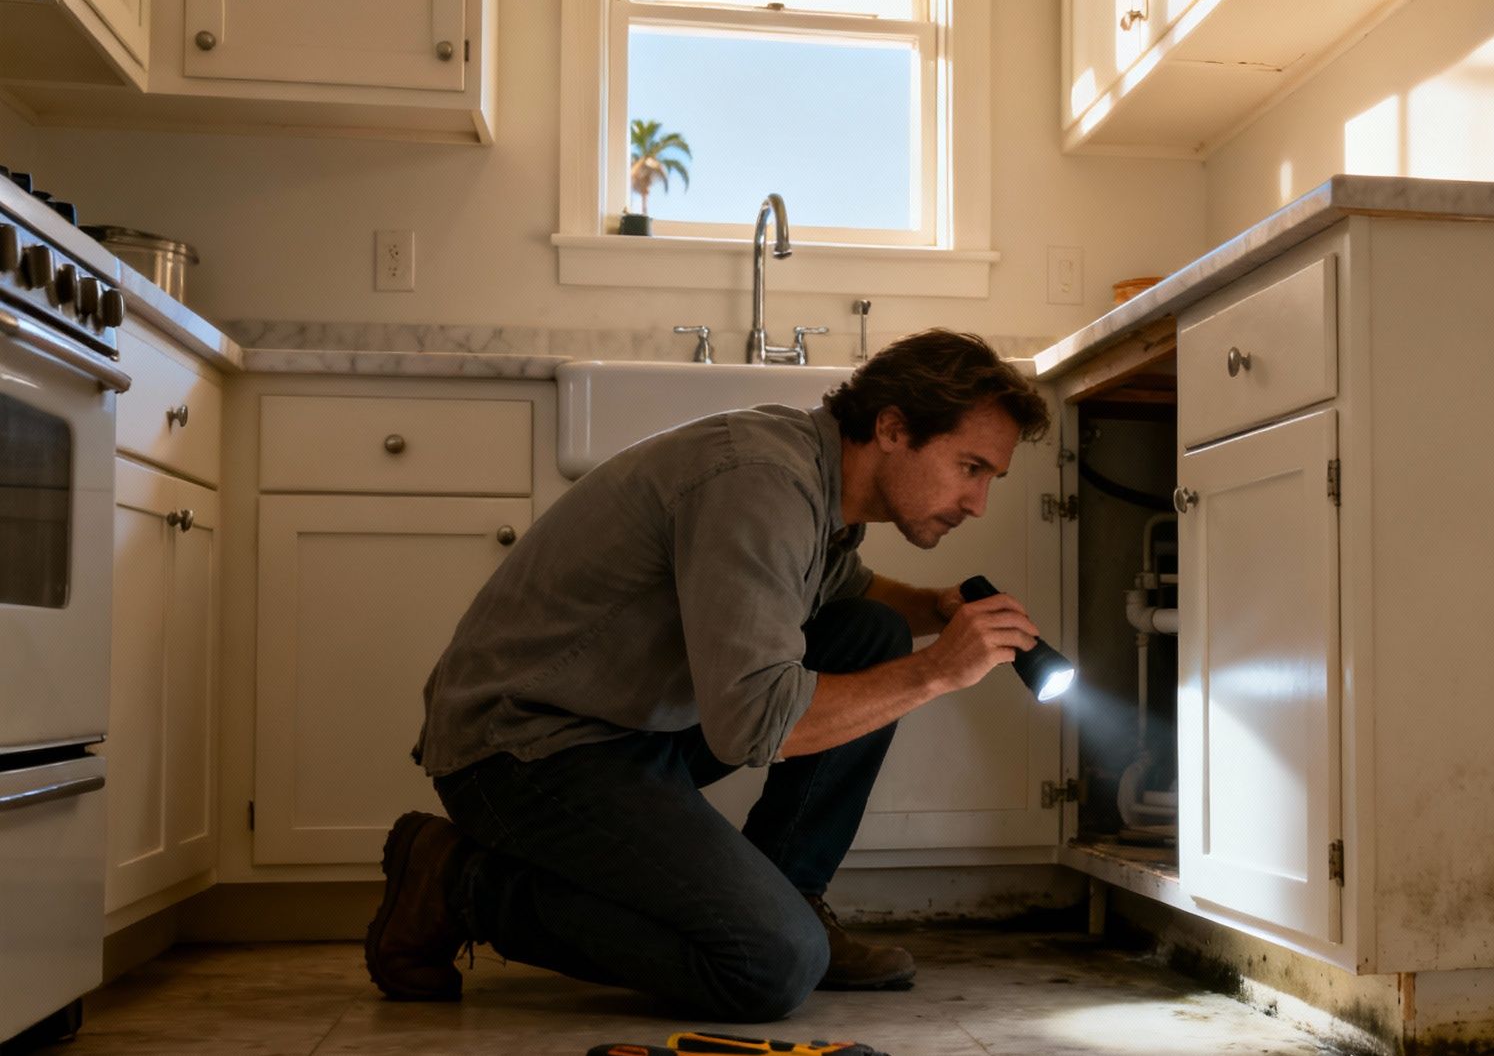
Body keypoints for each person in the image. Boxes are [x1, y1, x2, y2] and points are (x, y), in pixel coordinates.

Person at [364, 329, 1053, 1020]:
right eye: (970, 468)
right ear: (893, 427)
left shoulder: (818, 485)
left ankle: (791, 894)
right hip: (521, 748)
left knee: (872, 630)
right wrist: (938, 671)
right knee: (770, 966)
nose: (977, 503)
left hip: (624, 731)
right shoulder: (760, 482)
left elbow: (844, 587)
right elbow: (755, 723)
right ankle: (459, 881)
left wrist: (935, 610)